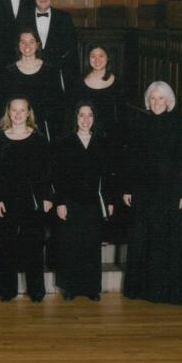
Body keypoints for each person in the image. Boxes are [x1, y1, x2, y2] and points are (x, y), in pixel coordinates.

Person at [123, 81, 182, 305]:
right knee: (144, 238)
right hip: (144, 191)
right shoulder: (139, 124)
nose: (156, 102)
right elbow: (131, 160)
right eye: (152, 99)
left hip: (170, 191)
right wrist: (128, 189)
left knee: (167, 240)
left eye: (160, 98)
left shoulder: (180, 125)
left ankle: (167, 292)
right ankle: (144, 290)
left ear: (169, 101)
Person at [52, 102, 116, 302]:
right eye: (81, 115)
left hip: (94, 202)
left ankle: (91, 288)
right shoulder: (64, 142)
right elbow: (58, 176)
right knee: (70, 245)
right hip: (71, 202)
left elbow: (108, 175)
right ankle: (70, 288)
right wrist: (60, 202)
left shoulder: (102, 141)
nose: (86, 120)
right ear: (75, 118)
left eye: (89, 115)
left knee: (91, 246)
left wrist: (110, 201)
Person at [0, 97, 52, 302]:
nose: (18, 114)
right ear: (8, 113)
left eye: (22, 110)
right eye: (14, 110)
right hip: (7, 200)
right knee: (6, 247)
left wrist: (47, 197)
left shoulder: (38, 139)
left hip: (32, 199)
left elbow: (46, 172)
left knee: (34, 246)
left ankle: (36, 291)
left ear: (28, 113)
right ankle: (7, 291)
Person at [0, 27, 65, 141]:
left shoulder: (50, 70)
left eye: (31, 42)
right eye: (23, 42)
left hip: (44, 129)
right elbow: (5, 104)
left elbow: (58, 104)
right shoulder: (8, 71)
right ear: (18, 45)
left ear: (38, 44)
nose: (27, 46)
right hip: (16, 128)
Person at [21, 0, 79, 91]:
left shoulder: (64, 18)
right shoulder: (23, 18)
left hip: (56, 73)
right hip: (29, 71)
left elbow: (71, 48)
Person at [69, 45, 127, 141]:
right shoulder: (79, 82)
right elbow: (74, 113)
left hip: (112, 136)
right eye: (93, 56)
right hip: (86, 134)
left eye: (101, 56)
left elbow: (123, 115)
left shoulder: (118, 82)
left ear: (107, 58)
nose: (97, 60)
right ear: (88, 59)